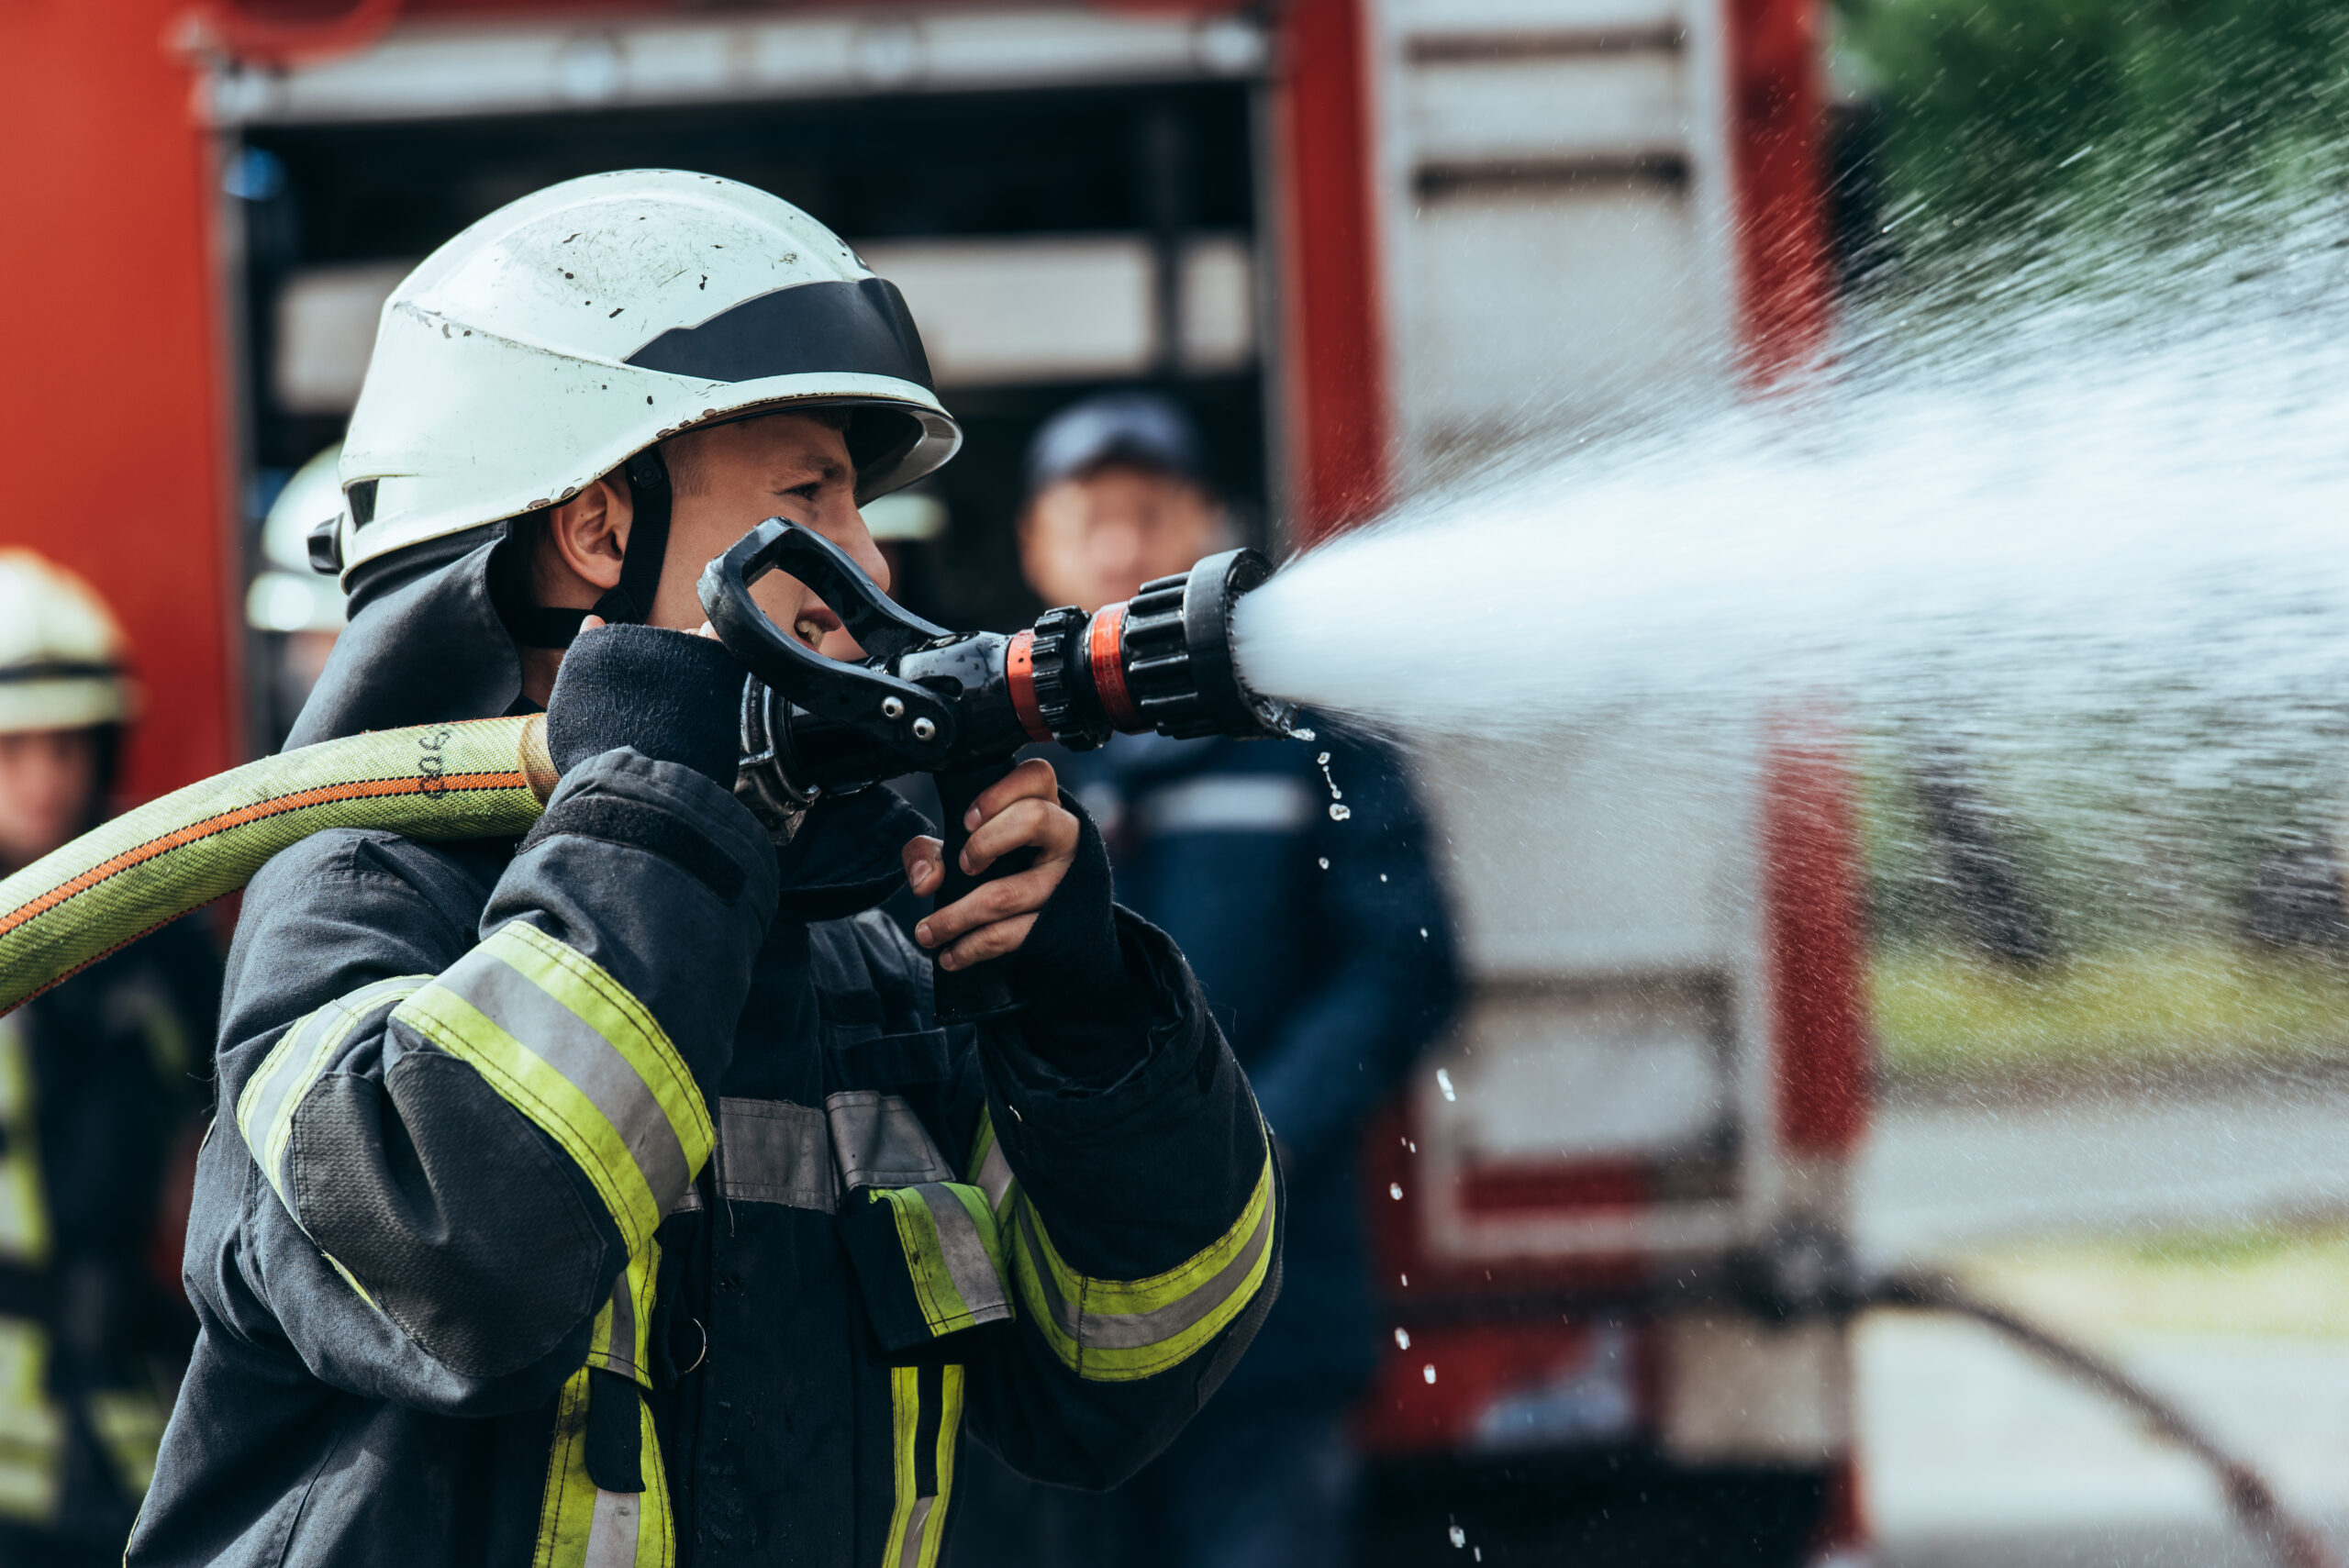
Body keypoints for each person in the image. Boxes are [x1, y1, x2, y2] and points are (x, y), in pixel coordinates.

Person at [128, 172, 1280, 1568]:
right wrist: (662, 804)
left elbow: (1121, 1370)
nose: (865, 560)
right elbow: (455, 1266)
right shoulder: (370, 893)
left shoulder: (861, 949)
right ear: (602, 530)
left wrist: (1092, 1038)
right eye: (811, 496)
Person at [947, 395, 1460, 1568]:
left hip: (1271, 1318)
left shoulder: (1313, 744)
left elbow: (1404, 968)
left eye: (1149, 512)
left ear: (1210, 530)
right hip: (1040, 1326)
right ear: (1035, 544)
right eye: (1089, 517)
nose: (1120, 544)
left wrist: (1244, 1144)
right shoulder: (979, 751)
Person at [0, 550, 218, 1568]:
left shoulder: (160, 945)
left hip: (143, 1427)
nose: (43, 779)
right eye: (11, 749)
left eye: (66, 745)